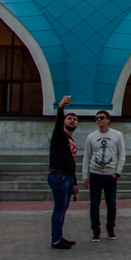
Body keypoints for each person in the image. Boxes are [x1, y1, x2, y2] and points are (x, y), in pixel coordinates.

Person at [82, 109, 126, 242]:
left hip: (110, 175)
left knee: (111, 203)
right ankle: (96, 230)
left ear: (108, 120)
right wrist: (85, 176)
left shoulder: (117, 135)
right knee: (94, 203)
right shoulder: (91, 137)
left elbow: (121, 155)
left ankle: (110, 228)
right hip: (95, 174)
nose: (99, 120)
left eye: (101, 117)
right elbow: (86, 157)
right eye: (96, 118)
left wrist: (117, 172)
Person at [48, 96, 80, 249]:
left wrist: (74, 182)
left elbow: (71, 162)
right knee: (59, 208)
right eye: (69, 118)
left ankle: (59, 236)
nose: (72, 120)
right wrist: (61, 107)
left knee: (63, 208)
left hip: (67, 177)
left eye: (75, 119)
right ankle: (56, 240)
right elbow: (59, 121)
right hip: (59, 175)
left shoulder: (70, 140)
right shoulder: (59, 135)